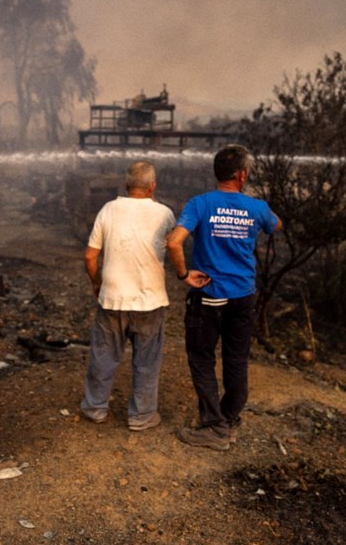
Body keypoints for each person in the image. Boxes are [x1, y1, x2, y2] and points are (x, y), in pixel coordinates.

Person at [166, 144, 281, 451]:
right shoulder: (256, 208)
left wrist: (183, 274)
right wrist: (254, 214)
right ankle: (227, 420)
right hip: (242, 297)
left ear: (218, 173)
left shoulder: (200, 204)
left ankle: (216, 426)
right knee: (236, 360)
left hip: (209, 296)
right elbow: (276, 225)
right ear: (242, 175)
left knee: (202, 358)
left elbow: (174, 242)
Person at [81, 161, 176, 431]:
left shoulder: (109, 209)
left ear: (125, 185)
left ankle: (95, 408)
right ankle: (141, 416)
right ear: (152, 186)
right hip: (150, 300)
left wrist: (97, 283)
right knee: (147, 361)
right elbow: (173, 246)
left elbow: (90, 255)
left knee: (103, 355)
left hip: (112, 297)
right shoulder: (165, 213)